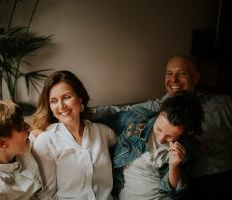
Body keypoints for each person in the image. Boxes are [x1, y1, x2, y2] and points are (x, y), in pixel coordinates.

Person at [92, 54, 232, 198]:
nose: (174, 79)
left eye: (182, 73)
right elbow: (117, 113)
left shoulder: (223, 105)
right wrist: (79, 111)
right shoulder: (152, 110)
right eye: (169, 74)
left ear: (196, 77)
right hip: (191, 184)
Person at [96, 91, 204, 199]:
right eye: (159, 129)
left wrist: (173, 166)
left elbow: (171, 191)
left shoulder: (185, 148)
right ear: (159, 113)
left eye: (170, 136)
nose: (161, 139)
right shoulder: (136, 119)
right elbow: (101, 123)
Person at [30, 70, 118, 200]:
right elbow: (45, 196)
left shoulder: (103, 132)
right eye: (54, 101)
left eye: (67, 97)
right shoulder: (46, 141)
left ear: (80, 98)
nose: (61, 106)